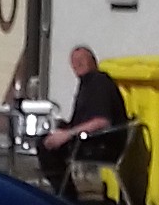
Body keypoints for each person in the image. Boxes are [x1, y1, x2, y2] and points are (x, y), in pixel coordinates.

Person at [37, 44, 128, 190]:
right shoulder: (87, 84)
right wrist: (62, 129)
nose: (77, 64)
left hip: (103, 146)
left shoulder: (99, 82)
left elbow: (101, 122)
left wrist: (67, 134)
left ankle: (66, 195)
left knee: (47, 146)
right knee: (47, 138)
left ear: (94, 61)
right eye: (74, 62)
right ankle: (65, 193)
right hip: (90, 141)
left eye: (81, 60)